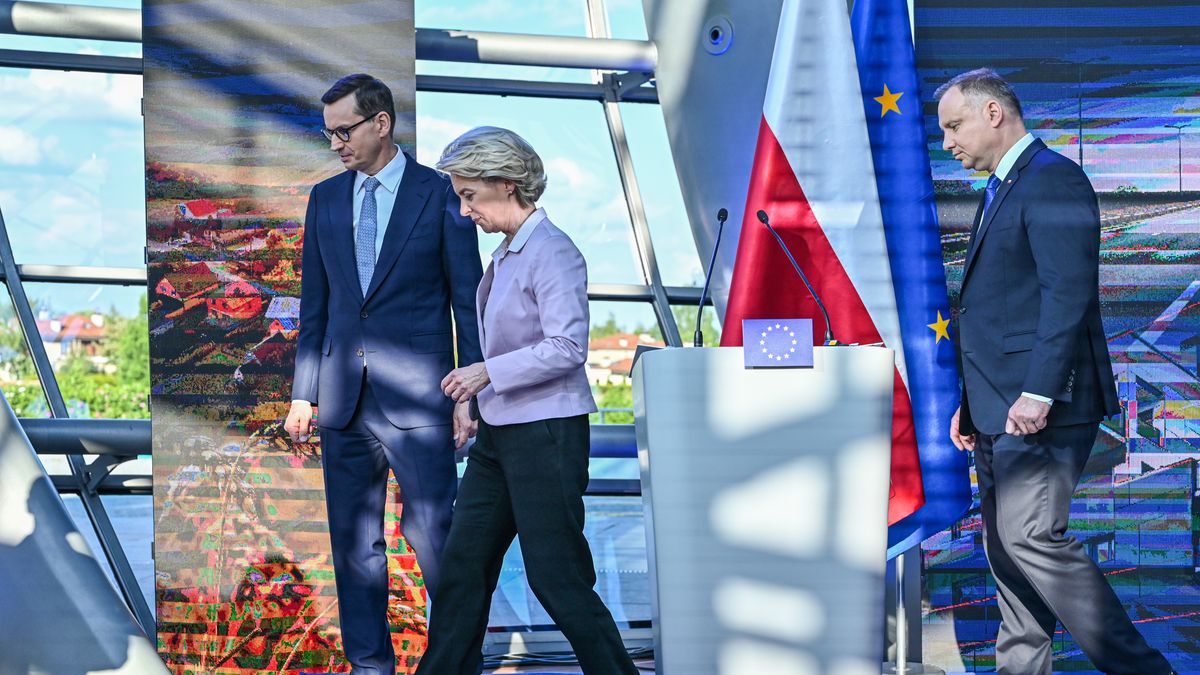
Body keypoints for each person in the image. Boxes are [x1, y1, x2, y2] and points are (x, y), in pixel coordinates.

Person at [937, 68, 1175, 675]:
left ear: (994, 114)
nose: (948, 142)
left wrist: (1038, 390)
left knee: (1031, 537)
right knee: (1007, 551)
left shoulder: (1053, 179)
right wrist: (973, 399)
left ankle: (1144, 670)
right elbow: (1002, 309)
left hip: (1043, 405)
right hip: (998, 406)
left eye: (954, 125)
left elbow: (1065, 293)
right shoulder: (1004, 187)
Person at [414, 126, 639, 675]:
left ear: (507, 184)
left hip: (547, 436)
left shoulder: (554, 251)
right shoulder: (508, 255)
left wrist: (484, 372)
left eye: (469, 195)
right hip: (501, 435)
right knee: (463, 568)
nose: (464, 210)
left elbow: (567, 347)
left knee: (556, 577)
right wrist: (474, 396)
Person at [283, 74, 483, 675]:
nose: (336, 144)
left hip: (422, 400)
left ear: (381, 123)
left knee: (437, 543)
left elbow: (466, 298)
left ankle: (456, 664)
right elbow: (314, 305)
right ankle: (371, 668)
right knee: (354, 552)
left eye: (344, 131)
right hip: (342, 402)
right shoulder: (324, 199)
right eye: (329, 135)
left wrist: (469, 393)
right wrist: (302, 395)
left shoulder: (442, 194)